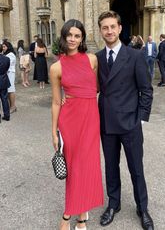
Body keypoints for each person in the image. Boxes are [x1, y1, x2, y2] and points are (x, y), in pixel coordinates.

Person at [96, 11, 154, 230]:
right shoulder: (98, 58)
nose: (109, 31)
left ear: (120, 28)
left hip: (130, 123)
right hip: (107, 123)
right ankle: (114, 204)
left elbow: (146, 90)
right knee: (111, 167)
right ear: (100, 30)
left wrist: (139, 118)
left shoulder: (135, 56)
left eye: (113, 26)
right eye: (105, 27)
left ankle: (143, 208)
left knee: (136, 168)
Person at [50, 19, 103, 230]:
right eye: (69, 35)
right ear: (63, 37)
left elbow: (95, 88)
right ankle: (70, 216)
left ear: (82, 38)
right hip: (69, 121)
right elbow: (55, 101)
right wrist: (53, 132)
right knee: (74, 168)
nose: (72, 39)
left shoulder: (92, 60)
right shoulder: (56, 67)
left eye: (77, 36)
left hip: (91, 118)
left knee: (86, 166)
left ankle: (79, 216)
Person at [2, 41, 17, 113]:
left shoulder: (11, 54)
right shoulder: (6, 54)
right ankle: (11, 106)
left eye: (4, 46)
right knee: (8, 90)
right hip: (6, 74)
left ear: (8, 47)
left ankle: (13, 106)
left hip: (10, 73)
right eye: (2, 47)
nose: (3, 48)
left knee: (11, 90)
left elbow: (7, 64)